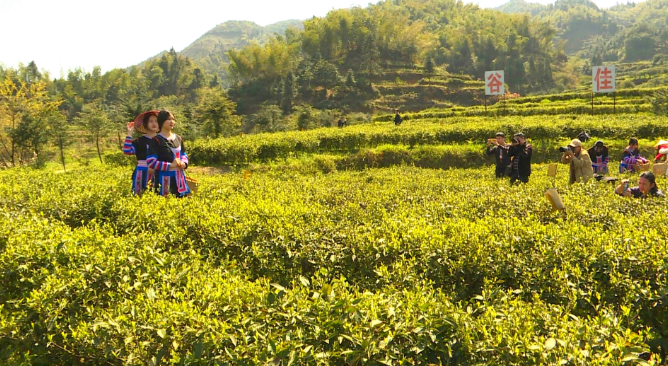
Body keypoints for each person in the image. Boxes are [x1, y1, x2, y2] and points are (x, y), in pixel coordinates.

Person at [147, 110, 191, 197]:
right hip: (163, 180)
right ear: (161, 121)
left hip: (179, 180)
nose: (172, 121)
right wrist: (170, 165)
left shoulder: (178, 138)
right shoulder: (156, 140)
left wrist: (184, 163)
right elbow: (151, 161)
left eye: (173, 119)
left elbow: (183, 155)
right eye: (168, 119)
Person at [123, 110, 159, 196]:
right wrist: (130, 133)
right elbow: (127, 151)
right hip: (141, 171)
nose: (154, 123)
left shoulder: (162, 141)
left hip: (158, 171)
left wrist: (155, 166)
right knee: (138, 196)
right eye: (151, 121)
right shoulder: (139, 141)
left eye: (156, 121)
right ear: (145, 124)